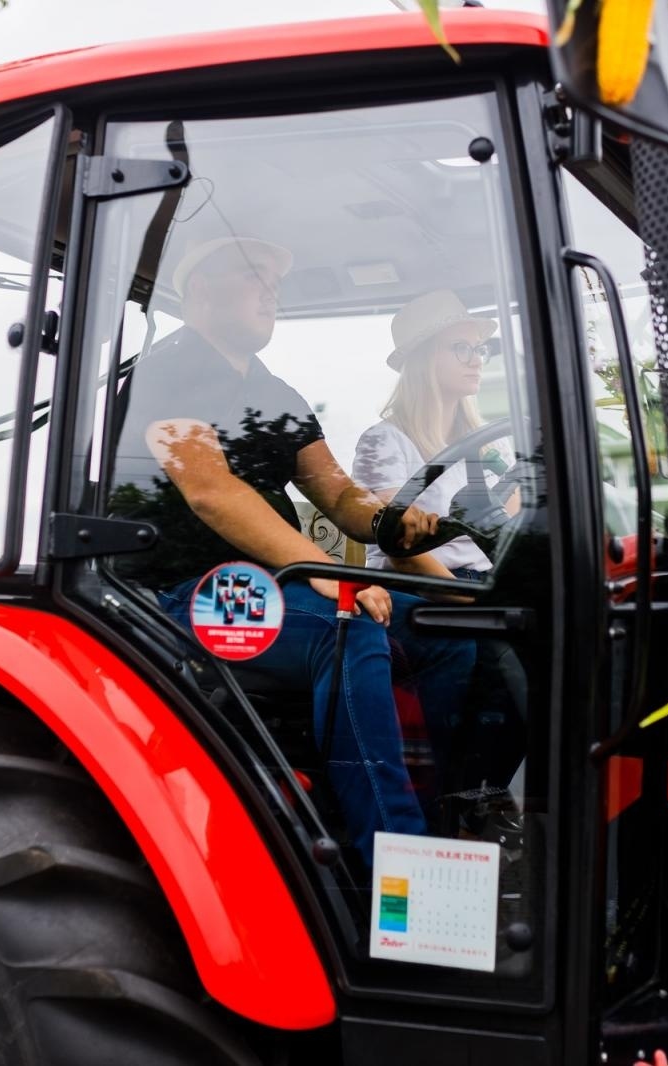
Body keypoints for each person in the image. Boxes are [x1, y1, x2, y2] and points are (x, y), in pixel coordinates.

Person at [108, 235, 475, 857]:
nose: (270, 290)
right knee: (347, 628)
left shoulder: (275, 394)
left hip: (266, 588)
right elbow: (210, 491)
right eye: (254, 275)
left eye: (275, 281)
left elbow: (336, 494)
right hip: (180, 595)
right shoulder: (168, 369)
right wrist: (324, 568)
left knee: (450, 633)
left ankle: (448, 820)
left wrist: (397, 525)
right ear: (200, 289)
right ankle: (394, 858)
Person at [352, 289, 515, 582]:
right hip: (419, 592)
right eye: (461, 348)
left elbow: (514, 524)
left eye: (479, 349)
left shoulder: (491, 440)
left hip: (490, 581)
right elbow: (402, 552)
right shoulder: (384, 443)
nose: (476, 360)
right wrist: (474, 604)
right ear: (423, 357)